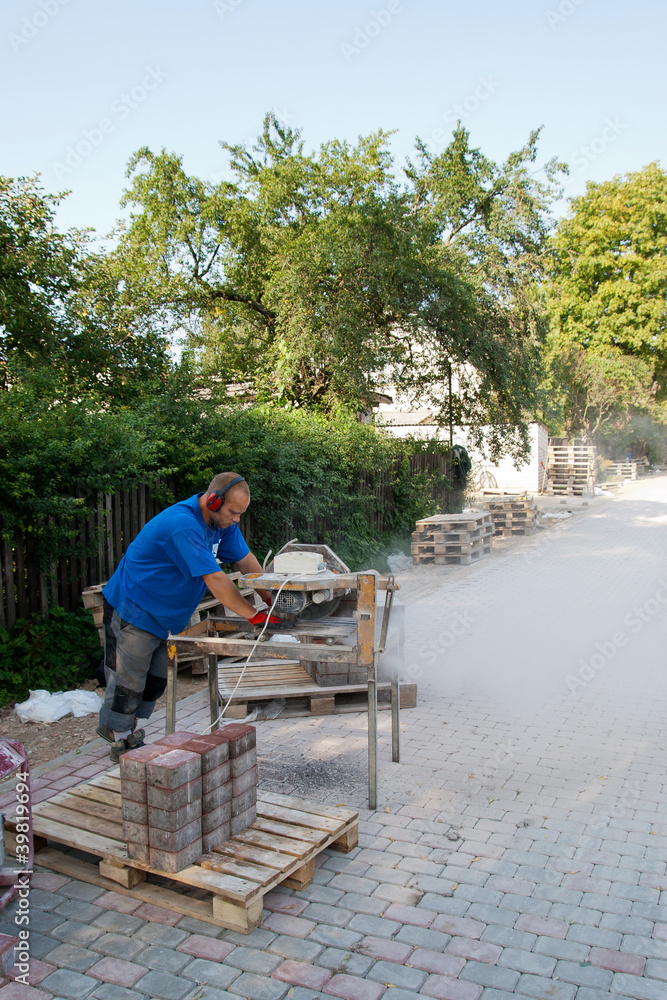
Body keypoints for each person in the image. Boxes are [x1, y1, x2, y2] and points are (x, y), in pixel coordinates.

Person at [96, 472, 279, 761]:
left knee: (154, 682)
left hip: (163, 615)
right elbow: (216, 580)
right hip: (134, 607)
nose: (237, 520)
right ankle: (119, 738)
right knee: (128, 681)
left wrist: (273, 599)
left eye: (241, 513)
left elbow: (246, 560)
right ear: (213, 500)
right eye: (233, 512)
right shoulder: (182, 525)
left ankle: (126, 729)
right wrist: (253, 615)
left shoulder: (221, 524)